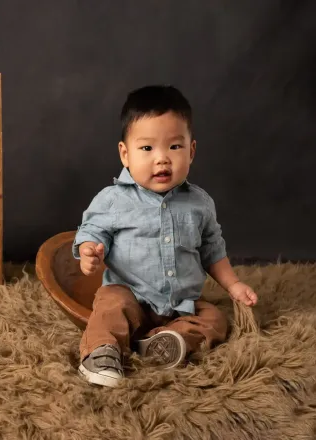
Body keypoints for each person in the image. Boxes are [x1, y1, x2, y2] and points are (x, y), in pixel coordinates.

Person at [72, 85, 258, 388]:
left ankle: (165, 342)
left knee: (215, 319)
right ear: (125, 154)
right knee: (109, 307)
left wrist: (234, 285)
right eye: (147, 149)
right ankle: (101, 353)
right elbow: (91, 230)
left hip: (180, 304)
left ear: (192, 150)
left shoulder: (200, 203)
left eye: (174, 147)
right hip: (130, 294)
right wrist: (89, 249)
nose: (162, 159)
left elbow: (213, 249)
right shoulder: (113, 199)